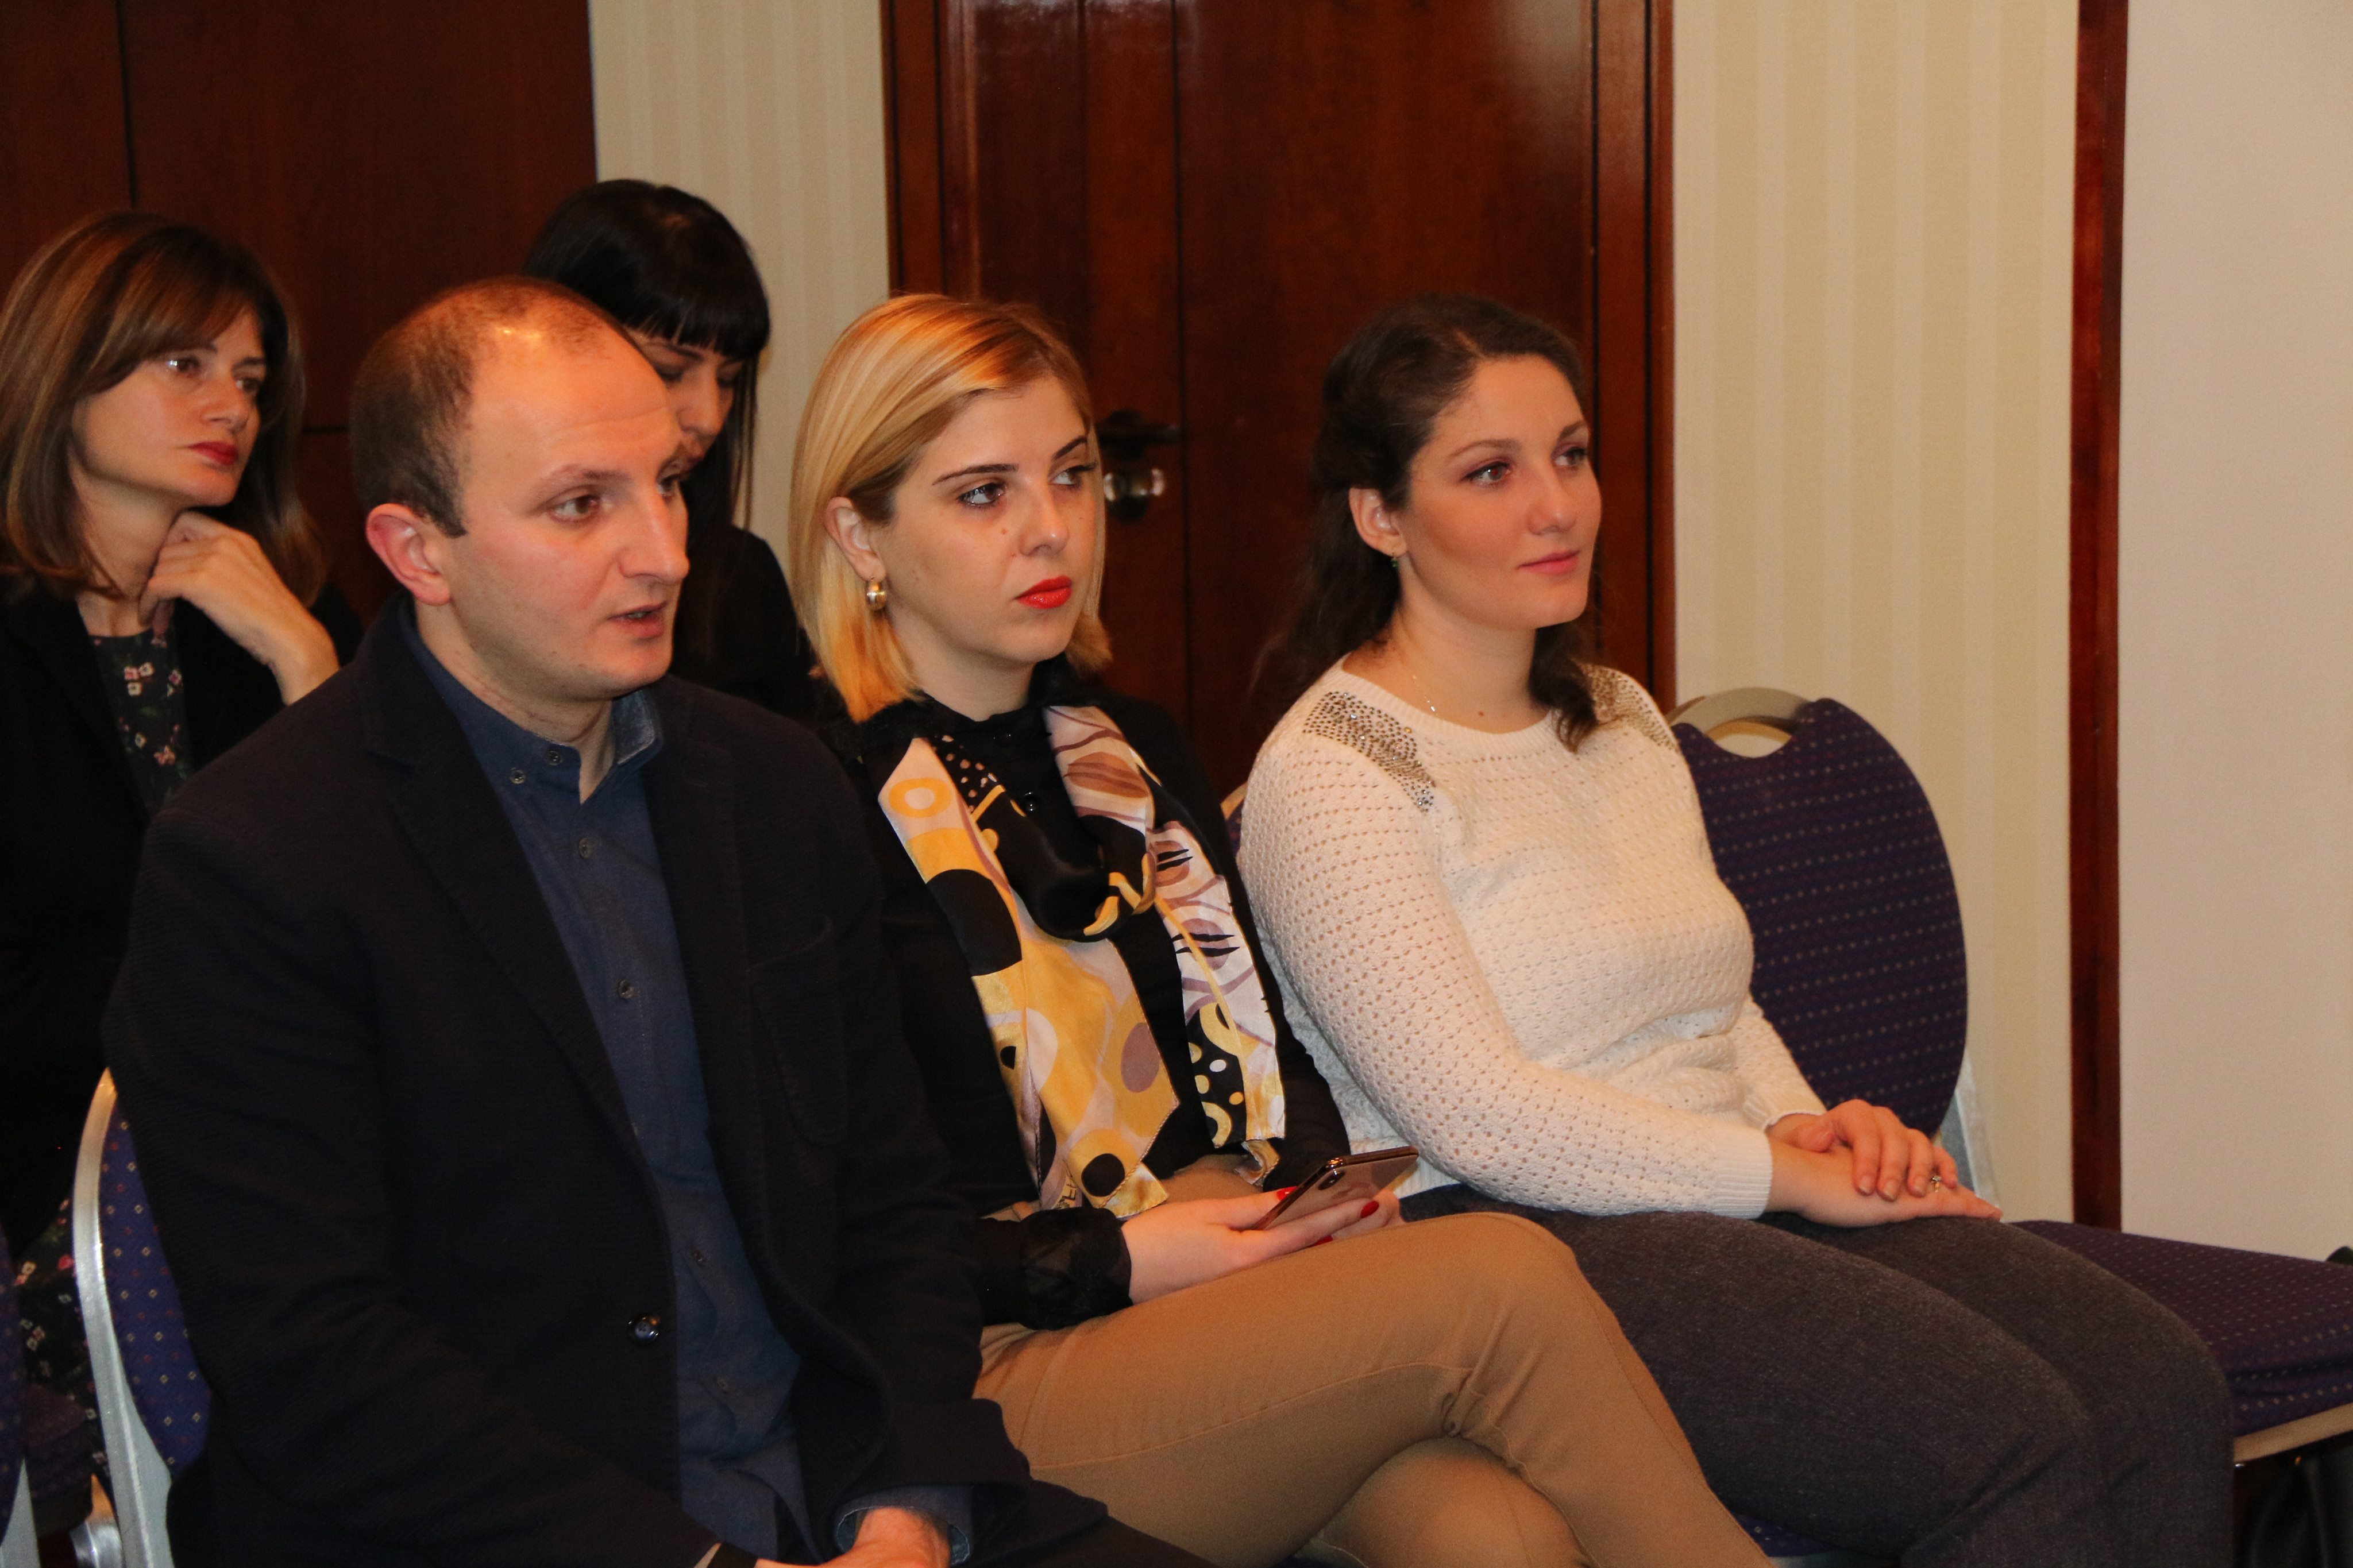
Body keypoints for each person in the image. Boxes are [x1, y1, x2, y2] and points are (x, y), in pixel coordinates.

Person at [105, 276, 1199, 1568]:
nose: (665, 554)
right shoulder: (259, 856)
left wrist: (908, 1511)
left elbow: (892, 1203)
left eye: (668, 484)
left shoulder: (773, 785)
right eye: (582, 505)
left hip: (840, 1488)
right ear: (416, 551)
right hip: (504, 1534)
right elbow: (316, 1358)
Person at [1239, 293, 2234, 1567]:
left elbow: (1713, 1003)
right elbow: (1476, 1120)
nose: (1556, 506)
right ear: (1380, 517)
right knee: (2003, 1436)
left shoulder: (1617, 715)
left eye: (1571, 455)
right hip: (1513, 1237)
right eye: (1490, 472)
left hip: (1717, 1186)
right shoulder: (1333, 773)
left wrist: (1807, 1128)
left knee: (2157, 1385)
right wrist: (1776, 1174)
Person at [793, 292, 1773, 1568]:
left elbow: (1267, 1045)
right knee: (1502, 1276)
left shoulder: (1133, 749)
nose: (1051, 527)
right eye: (984, 494)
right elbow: (824, 1225)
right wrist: (1114, 1259)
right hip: (992, 1362)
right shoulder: (798, 798)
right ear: (858, 532)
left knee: (1500, 1539)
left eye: (1072, 475)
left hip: (1223, 1289)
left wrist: (1308, 1200)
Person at [0, 211, 356, 1261]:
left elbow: (397, 909)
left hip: (299, 1147)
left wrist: (306, 666)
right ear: (66, 375)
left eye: (249, 379)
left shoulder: (286, 612)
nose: (231, 407)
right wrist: (230, 999)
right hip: (51, 1173)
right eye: (183, 364)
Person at [524, 179, 813, 717]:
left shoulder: (741, 577)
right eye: (668, 370)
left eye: (728, 380)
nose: (707, 418)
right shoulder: (507, 568)